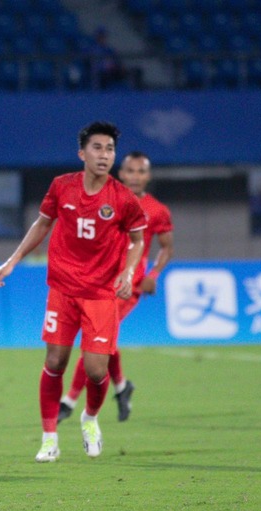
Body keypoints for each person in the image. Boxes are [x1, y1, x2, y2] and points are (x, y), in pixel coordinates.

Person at [0, 121, 147, 463]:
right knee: (55, 361)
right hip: (62, 289)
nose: (104, 155)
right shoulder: (62, 187)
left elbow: (137, 239)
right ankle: (49, 439)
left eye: (110, 149)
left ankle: (90, 419)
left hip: (101, 294)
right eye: (97, 148)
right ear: (82, 153)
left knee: (95, 371)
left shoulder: (122, 198)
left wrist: (129, 270)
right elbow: (42, 223)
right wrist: (13, 260)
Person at [58, 151, 174, 424]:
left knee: (94, 342)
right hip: (97, 281)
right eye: (131, 171)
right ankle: (122, 387)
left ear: (148, 176)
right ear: (121, 173)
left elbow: (167, 248)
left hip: (127, 286)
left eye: (141, 171)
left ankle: (69, 401)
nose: (135, 176)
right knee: (104, 342)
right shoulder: (106, 200)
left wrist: (154, 274)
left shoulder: (157, 210)